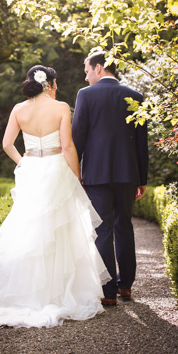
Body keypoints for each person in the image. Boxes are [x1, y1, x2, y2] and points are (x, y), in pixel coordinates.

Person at [0, 65, 110, 328]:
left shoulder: (18, 109)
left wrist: (22, 163)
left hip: (31, 170)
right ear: (49, 83)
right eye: (56, 82)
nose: (57, 86)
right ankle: (57, 291)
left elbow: (6, 144)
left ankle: (20, 291)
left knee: (28, 227)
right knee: (58, 228)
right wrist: (77, 176)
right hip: (55, 169)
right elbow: (67, 146)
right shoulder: (60, 107)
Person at [72, 51, 149, 306]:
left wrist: (76, 174)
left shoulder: (85, 95)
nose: (85, 76)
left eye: (86, 70)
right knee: (124, 226)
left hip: (96, 174)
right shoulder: (136, 96)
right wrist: (142, 179)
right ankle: (125, 285)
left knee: (102, 229)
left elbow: (78, 138)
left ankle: (108, 291)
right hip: (128, 174)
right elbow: (141, 143)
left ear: (99, 67)